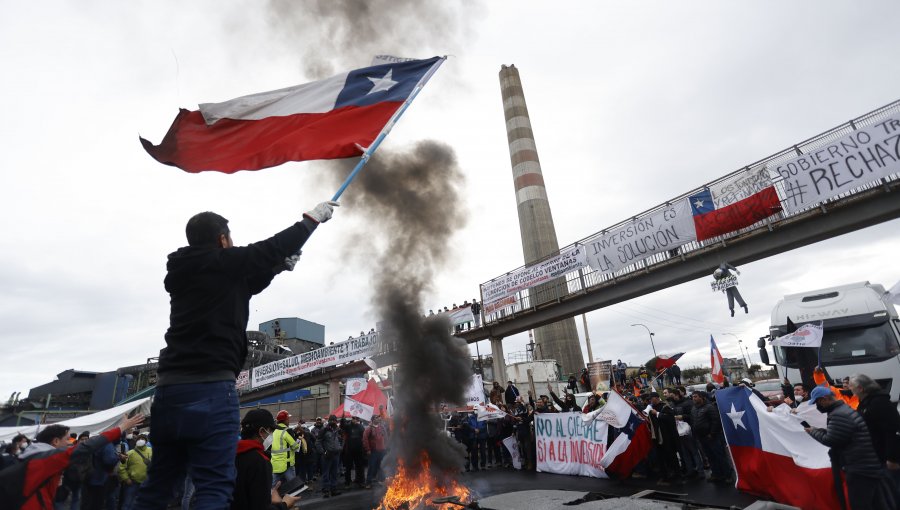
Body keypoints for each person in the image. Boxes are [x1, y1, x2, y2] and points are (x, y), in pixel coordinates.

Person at [133, 201, 337, 510]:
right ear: (221, 239)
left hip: (169, 391)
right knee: (214, 486)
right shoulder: (222, 261)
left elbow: (246, 285)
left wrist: (277, 268)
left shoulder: (189, 272)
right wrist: (310, 222)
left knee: (158, 486)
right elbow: (267, 249)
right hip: (211, 388)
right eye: (229, 238)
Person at [11, 414, 143, 509]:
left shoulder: (30, 454)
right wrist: (122, 427)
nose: (69, 443)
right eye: (66, 439)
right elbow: (88, 446)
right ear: (55, 441)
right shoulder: (49, 457)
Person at [805, 385, 895, 509]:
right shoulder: (843, 409)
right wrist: (819, 430)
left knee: (861, 504)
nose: (818, 406)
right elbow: (838, 434)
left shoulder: (838, 414)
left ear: (825, 399)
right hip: (865, 465)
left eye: (818, 402)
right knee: (877, 503)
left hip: (859, 468)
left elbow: (832, 440)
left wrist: (813, 432)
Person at [230, 409, 300, 510]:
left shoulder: (231, 455)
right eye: (271, 430)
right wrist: (284, 504)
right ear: (262, 431)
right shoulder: (260, 461)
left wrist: (266, 495)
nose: (271, 434)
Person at [848, 374, 900, 486]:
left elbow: (893, 430)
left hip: (886, 457)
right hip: (875, 454)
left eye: (851, 386)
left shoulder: (879, 403)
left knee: (893, 489)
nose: (849, 389)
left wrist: (893, 458)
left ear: (860, 388)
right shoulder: (865, 402)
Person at [690, 391, 732, 483]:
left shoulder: (709, 407)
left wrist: (712, 433)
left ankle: (727, 475)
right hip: (701, 437)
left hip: (712, 437)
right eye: (693, 397)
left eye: (696, 396)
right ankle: (716, 474)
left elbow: (716, 421)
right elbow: (694, 421)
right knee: (710, 456)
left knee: (720, 456)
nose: (694, 398)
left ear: (701, 397)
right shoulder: (694, 409)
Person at [647, 392, 680, 484]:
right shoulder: (650, 408)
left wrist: (657, 413)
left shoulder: (665, 407)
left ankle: (677, 476)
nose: (650, 400)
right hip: (657, 438)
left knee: (672, 457)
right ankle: (664, 476)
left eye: (651, 398)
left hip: (667, 437)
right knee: (660, 458)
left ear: (657, 398)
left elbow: (670, 419)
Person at [118, 433, 152, 510]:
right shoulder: (130, 453)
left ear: (146, 441)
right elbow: (122, 467)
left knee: (144, 504)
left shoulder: (151, 451)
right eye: (139, 439)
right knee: (128, 504)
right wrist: (126, 479)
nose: (141, 440)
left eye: (143, 439)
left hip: (147, 483)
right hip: (132, 483)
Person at [270, 411, 301, 487]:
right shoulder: (286, 431)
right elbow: (295, 446)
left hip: (275, 464)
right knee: (293, 486)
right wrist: (297, 440)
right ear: (285, 420)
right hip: (287, 464)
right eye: (288, 419)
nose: (289, 420)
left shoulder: (273, 431)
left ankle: (272, 498)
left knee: (273, 487)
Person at [320, 415, 342, 498]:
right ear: (329, 421)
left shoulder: (338, 430)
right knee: (326, 473)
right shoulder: (324, 430)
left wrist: (340, 447)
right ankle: (325, 490)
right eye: (331, 420)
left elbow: (341, 439)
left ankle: (334, 489)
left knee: (335, 473)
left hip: (336, 455)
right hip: (327, 455)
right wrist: (323, 452)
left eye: (334, 420)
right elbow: (318, 442)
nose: (333, 422)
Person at [363, 414, 387, 489]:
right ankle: (368, 482)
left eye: (378, 418)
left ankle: (381, 481)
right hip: (373, 451)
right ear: (373, 419)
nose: (378, 419)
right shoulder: (369, 429)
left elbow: (386, 437)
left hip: (382, 451)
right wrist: (368, 449)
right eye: (376, 418)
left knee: (381, 466)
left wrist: (385, 446)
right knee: (371, 467)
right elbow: (365, 439)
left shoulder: (382, 427)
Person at [341, 416, 366, 489]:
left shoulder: (361, 427)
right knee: (348, 467)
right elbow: (342, 426)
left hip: (359, 450)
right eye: (353, 418)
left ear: (358, 420)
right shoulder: (348, 426)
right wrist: (343, 419)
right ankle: (347, 483)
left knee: (360, 467)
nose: (355, 420)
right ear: (352, 419)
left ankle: (360, 481)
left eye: (356, 419)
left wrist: (364, 449)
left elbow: (364, 437)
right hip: (349, 451)